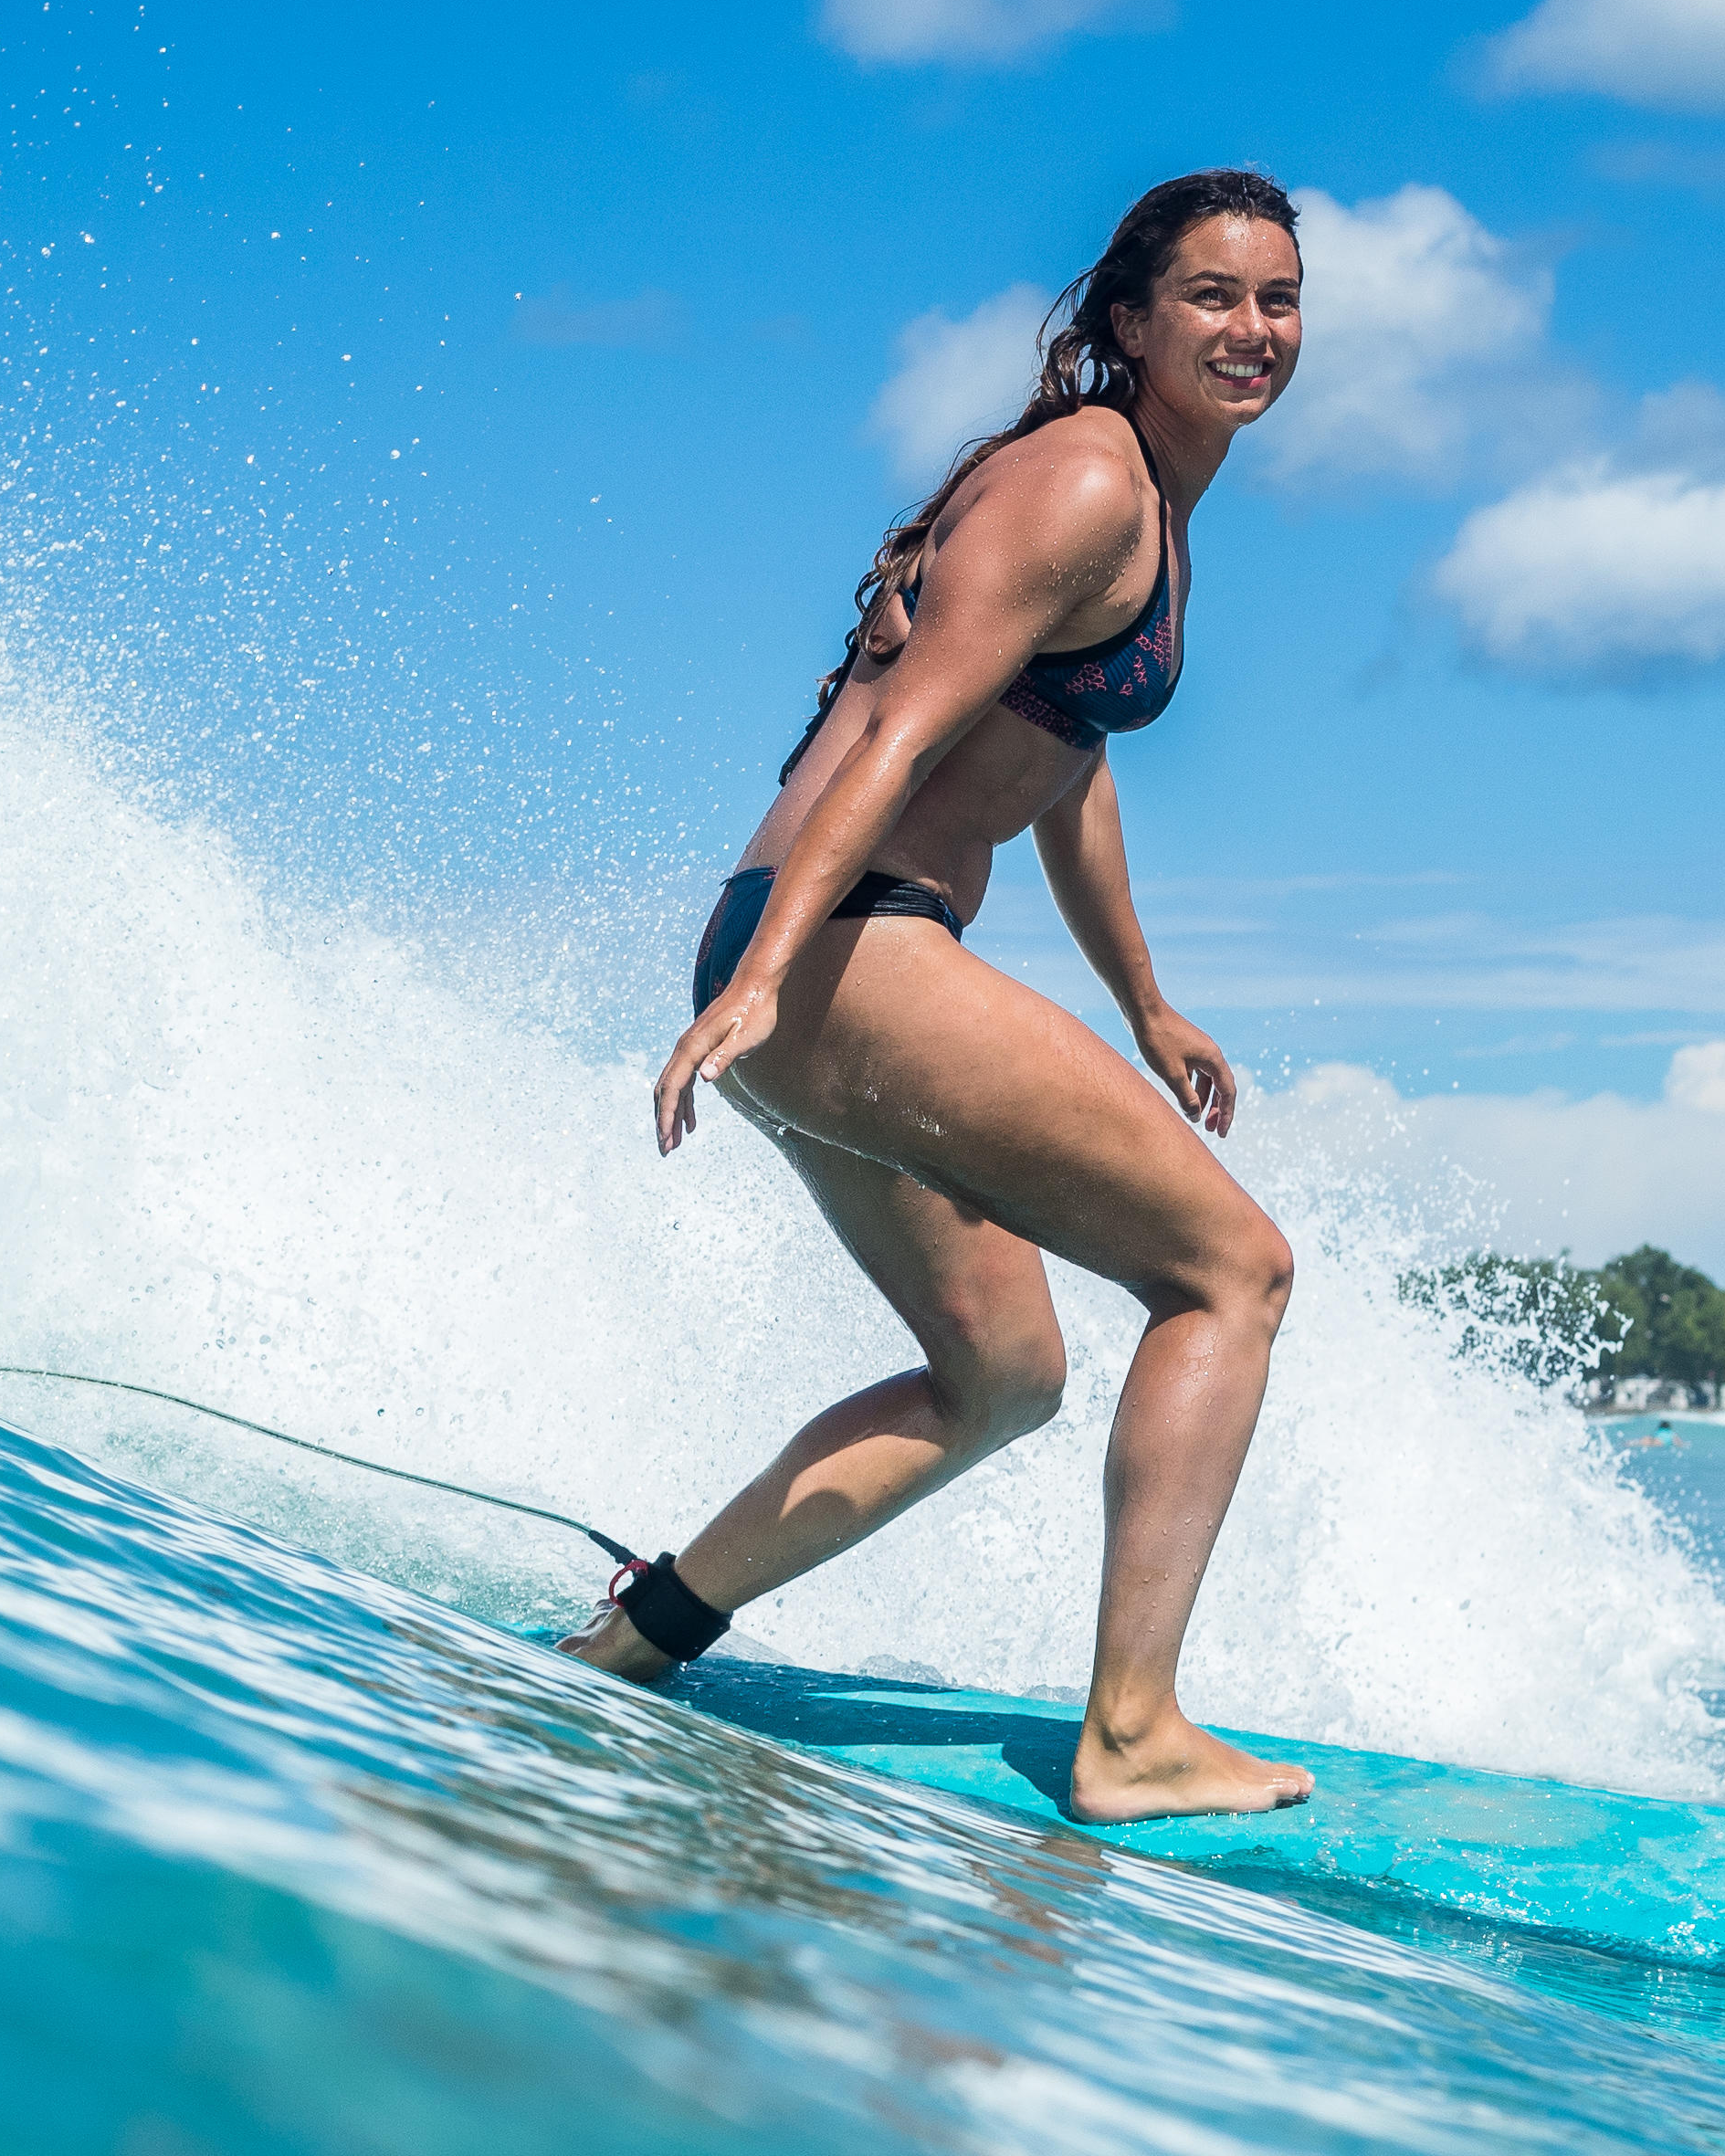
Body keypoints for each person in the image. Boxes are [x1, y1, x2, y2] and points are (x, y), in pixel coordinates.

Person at [558, 171, 1316, 1822]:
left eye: (1277, 300)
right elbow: (904, 730)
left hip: (824, 947)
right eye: (1211, 297)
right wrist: (766, 984)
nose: (1253, 331)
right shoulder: (1086, 487)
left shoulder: (1152, 506)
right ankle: (1133, 1734)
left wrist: (1147, 1002)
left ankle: (647, 1631)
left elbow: (1066, 765)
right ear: (1128, 319)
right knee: (1232, 1274)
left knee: (1003, 1375)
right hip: (841, 944)